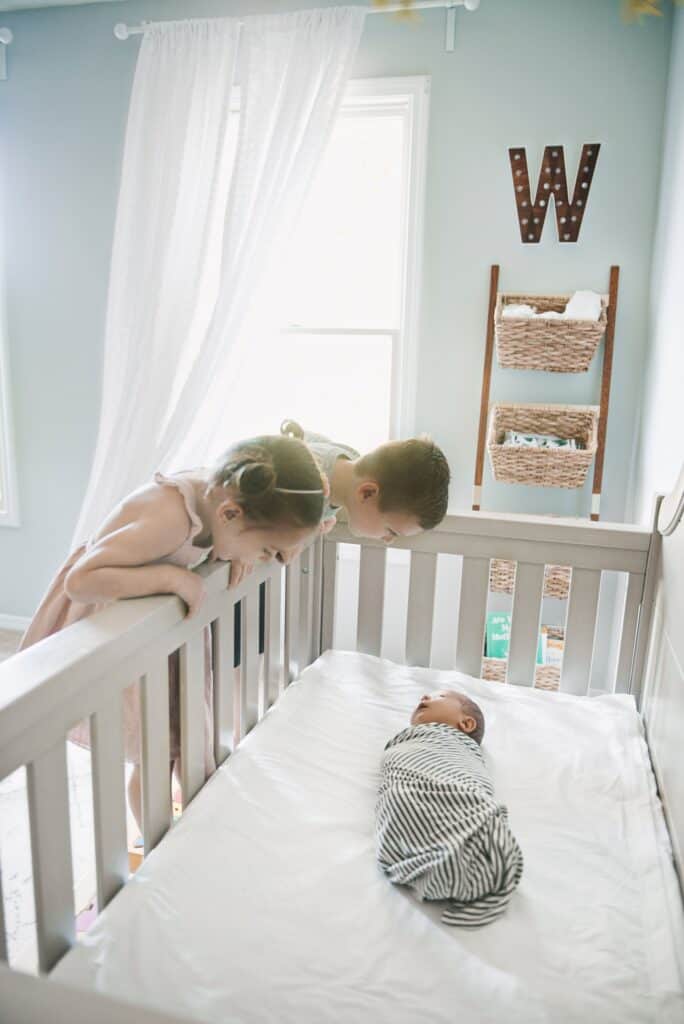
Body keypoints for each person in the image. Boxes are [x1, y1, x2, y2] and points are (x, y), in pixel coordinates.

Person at [20, 435, 326, 828]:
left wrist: (228, 554)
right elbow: (81, 581)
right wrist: (170, 576)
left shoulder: (220, 505)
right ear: (231, 515)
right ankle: (153, 844)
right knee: (155, 750)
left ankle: (179, 829)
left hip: (158, 636)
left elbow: (237, 532)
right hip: (109, 622)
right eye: (266, 551)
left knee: (176, 738)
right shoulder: (169, 515)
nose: (266, 561)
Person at [376, 690, 523, 927]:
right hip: (405, 791)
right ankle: (444, 861)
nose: (423, 697)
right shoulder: (411, 740)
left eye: (440, 696)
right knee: (404, 802)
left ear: (465, 723)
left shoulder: (456, 745)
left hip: (456, 788)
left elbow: (458, 772)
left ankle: (461, 859)